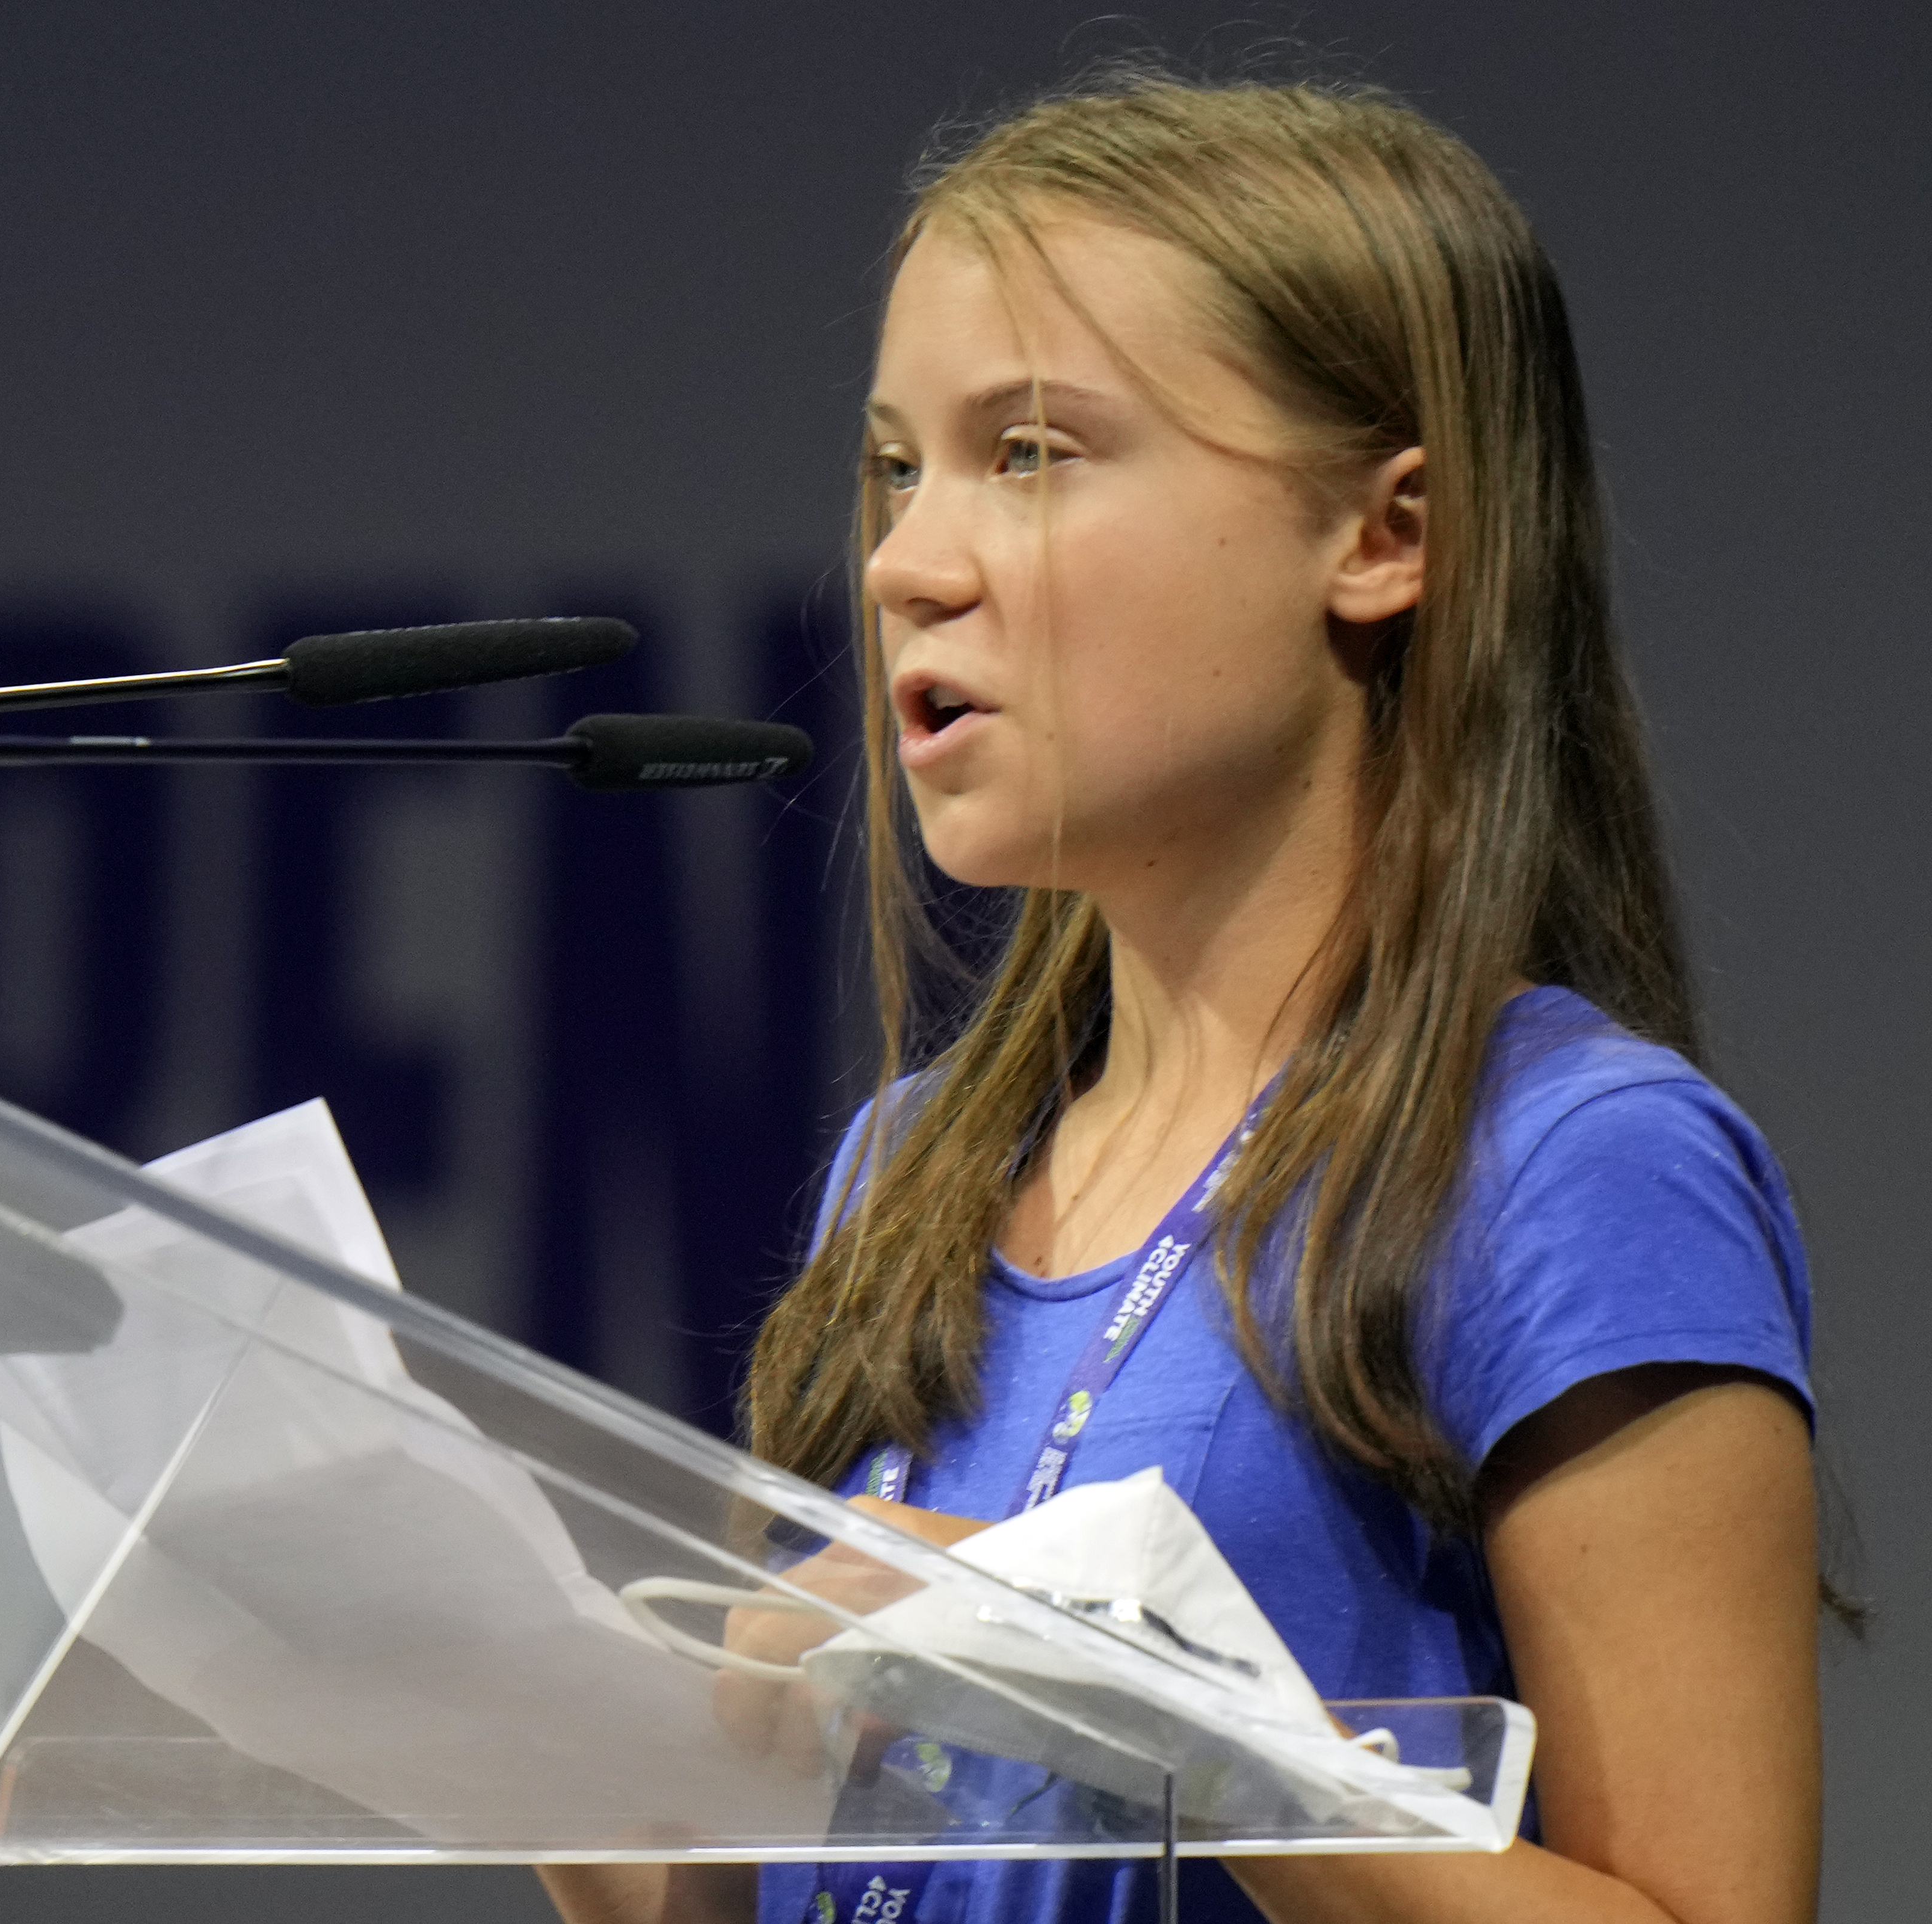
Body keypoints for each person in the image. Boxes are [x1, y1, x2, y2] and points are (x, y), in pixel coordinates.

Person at [540, 72, 1826, 1924]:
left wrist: (1167, 1715)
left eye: (1031, 453)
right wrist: (549, 1766)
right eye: (898, 468)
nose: (906, 562)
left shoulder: (1568, 1165)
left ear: (1382, 538)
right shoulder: (908, 1170)